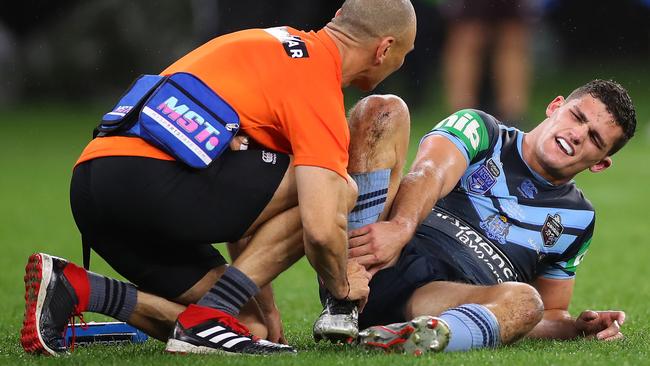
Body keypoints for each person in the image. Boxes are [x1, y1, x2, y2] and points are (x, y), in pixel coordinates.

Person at [20, 0, 416, 356]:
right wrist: (343, 285)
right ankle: (208, 315)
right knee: (335, 188)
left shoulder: (266, 45)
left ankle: (76, 287)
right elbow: (318, 226)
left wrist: (268, 306)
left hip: (94, 183)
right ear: (384, 49)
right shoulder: (316, 83)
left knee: (247, 325)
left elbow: (250, 203)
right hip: (150, 178)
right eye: (405, 53)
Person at [317, 79, 636, 354]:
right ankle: (342, 303)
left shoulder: (578, 219)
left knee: (527, 302)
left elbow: (551, 312)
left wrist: (576, 328)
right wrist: (401, 226)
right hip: (381, 258)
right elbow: (430, 172)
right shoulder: (483, 130)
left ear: (600, 163)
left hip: (437, 300)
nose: (578, 134)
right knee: (382, 108)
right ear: (555, 107)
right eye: (576, 116)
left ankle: (410, 337)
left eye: (595, 139)